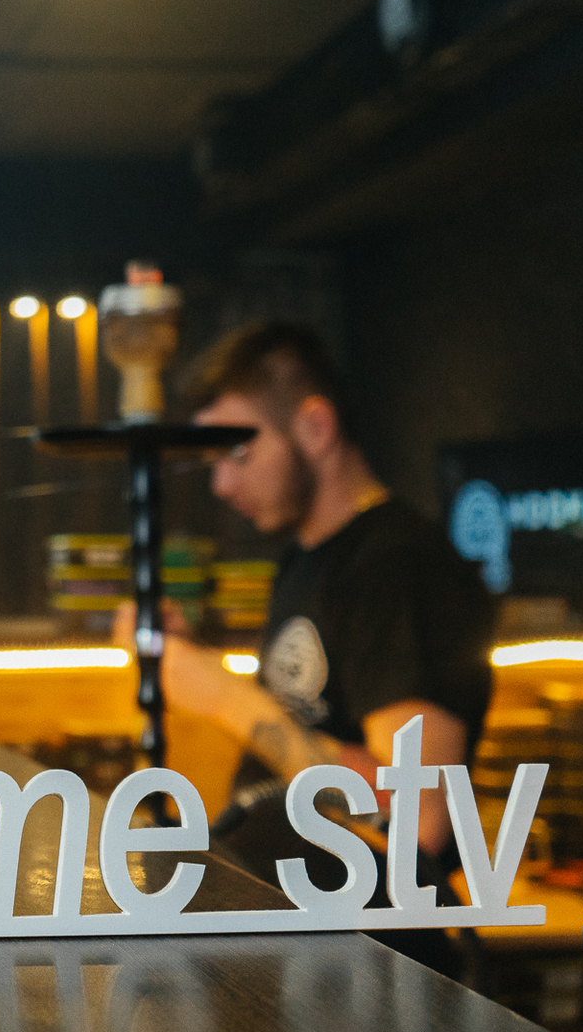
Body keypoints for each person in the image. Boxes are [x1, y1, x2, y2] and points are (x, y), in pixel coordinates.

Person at [128, 321, 494, 971]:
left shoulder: (398, 566)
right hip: (301, 952)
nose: (221, 484)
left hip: (370, 969)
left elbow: (417, 818)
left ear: (316, 428)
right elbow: (314, 727)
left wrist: (226, 699)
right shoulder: (305, 561)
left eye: (238, 454)